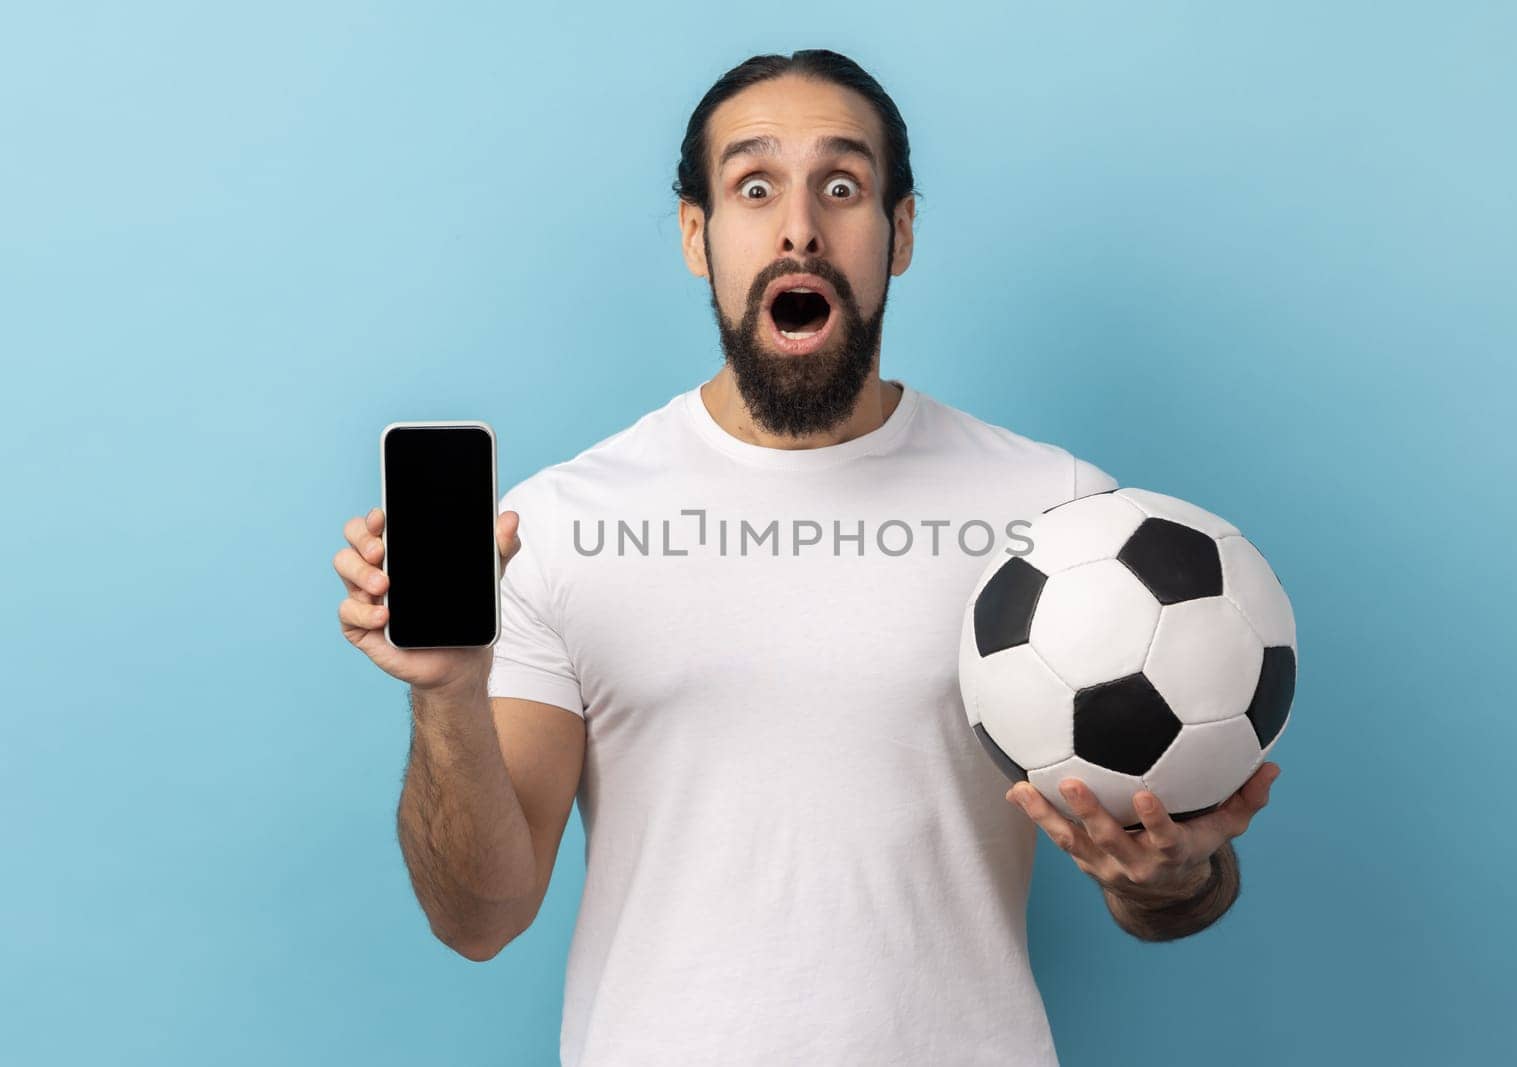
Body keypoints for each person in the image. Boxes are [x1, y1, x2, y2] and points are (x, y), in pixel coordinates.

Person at [333, 49, 1278, 1066]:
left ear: (898, 232)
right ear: (698, 237)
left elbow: (1169, 898)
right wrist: (448, 693)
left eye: (841, 185)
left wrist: (1170, 872)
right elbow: (479, 917)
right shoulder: (556, 525)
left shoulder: (1060, 518)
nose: (798, 225)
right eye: (753, 186)